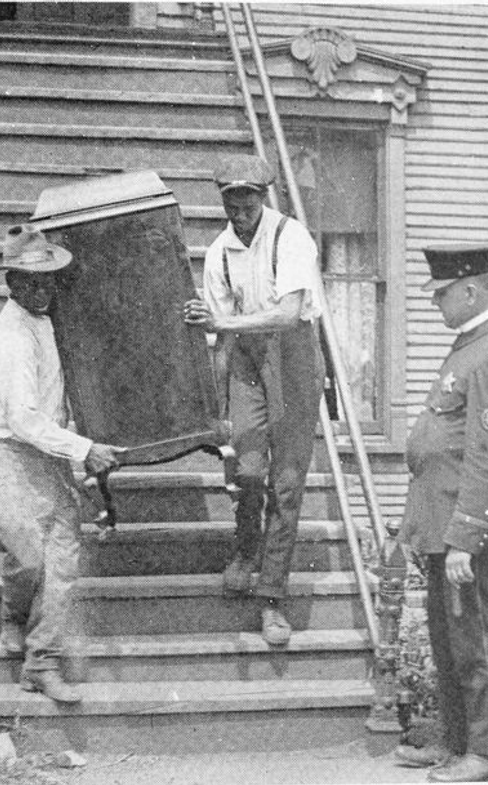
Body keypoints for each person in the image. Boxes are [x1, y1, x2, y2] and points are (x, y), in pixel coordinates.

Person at [0, 224, 123, 704]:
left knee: (62, 560)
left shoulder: (49, 319)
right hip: (9, 457)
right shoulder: (13, 337)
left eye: (49, 280)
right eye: (31, 281)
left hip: (47, 456)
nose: (42, 289)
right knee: (29, 560)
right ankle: (13, 612)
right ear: (11, 283)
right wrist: (82, 449)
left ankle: (42, 662)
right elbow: (21, 418)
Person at [183, 154, 325, 646]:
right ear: (222, 200)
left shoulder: (291, 237)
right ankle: (246, 550)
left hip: (293, 358)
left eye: (247, 203)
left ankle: (271, 599)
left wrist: (222, 324)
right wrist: (218, 409)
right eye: (230, 203)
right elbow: (220, 341)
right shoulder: (219, 252)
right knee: (246, 470)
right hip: (244, 359)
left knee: (285, 485)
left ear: (263, 197)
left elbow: (287, 315)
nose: (239, 212)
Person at [395, 243, 488, 782]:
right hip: (440, 523)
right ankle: (457, 739)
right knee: (449, 638)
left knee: (475, 634)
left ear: (471, 290)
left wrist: (464, 540)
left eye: (441, 294)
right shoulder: (470, 345)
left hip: (467, 531)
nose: (436, 304)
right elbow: (443, 445)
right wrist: (420, 527)